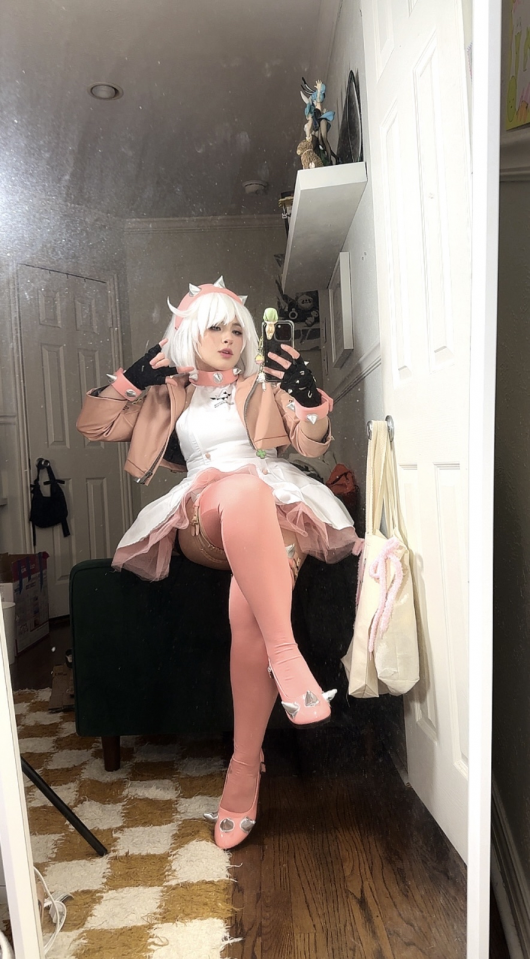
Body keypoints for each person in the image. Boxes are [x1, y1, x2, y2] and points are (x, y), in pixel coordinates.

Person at [76, 277, 361, 850]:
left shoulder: (264, 386)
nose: (229, 337)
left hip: (277, 509)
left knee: (247, 601)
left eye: (237, 328)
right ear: (188, 335)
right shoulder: (167, 395)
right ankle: (288, 659)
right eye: (215, 327)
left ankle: (244, 767)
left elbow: (313, 444)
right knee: (242, 489)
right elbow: (94, 424)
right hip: (206, 513)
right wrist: (135, 377)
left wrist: (307, 397)